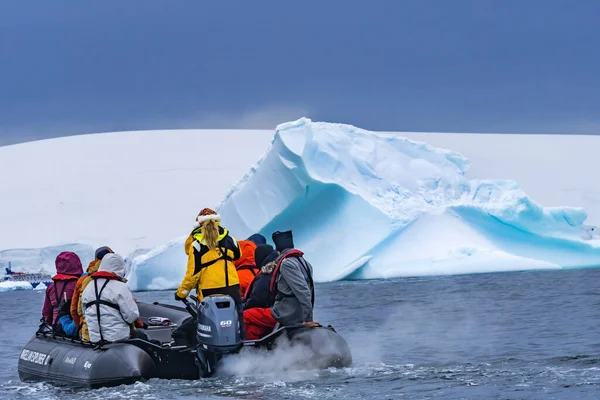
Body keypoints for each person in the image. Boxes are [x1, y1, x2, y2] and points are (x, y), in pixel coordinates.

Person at [173, 208, 242, 344]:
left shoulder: (196, 245)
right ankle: (242, 349)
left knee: (209, 321)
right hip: (232, 288)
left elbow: (192, 275)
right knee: (237, 319)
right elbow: (238, 255)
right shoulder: (231, 239)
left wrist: (181, 293)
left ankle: (208, 354)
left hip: (210, 292)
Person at [81, 253, 144, 343]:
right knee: (143, 336)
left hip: (95, 339)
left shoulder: (88, 287)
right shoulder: (120, 287)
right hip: (119, 338)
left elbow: (84, 312)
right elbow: (131, 316)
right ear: (120, 268)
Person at [269, 230, 317, 327]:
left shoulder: (287, 264)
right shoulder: (305, 263)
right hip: (297, 312)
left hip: (286, 313)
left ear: (278, 250)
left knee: (248, 315)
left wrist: (308, 319)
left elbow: (303, 290)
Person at [71, 246, 113, 338]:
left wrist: (80, 329)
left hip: (89, 333)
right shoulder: (117, 280)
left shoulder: (83, 281)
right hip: (115, 333)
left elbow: (75, 310)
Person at [242, 244, 279, 340]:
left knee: (244, 316)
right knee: (253, 328)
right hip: (279, 309)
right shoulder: (278, 267)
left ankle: (248, 348)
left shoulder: (266, 274)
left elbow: (257, 300)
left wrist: (241, 306)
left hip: (275, 312)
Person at [42, 252, 84, 334]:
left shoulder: (51, 287)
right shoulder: (80, 284)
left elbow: (46, 312)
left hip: (56, 327)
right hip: (75, 328)